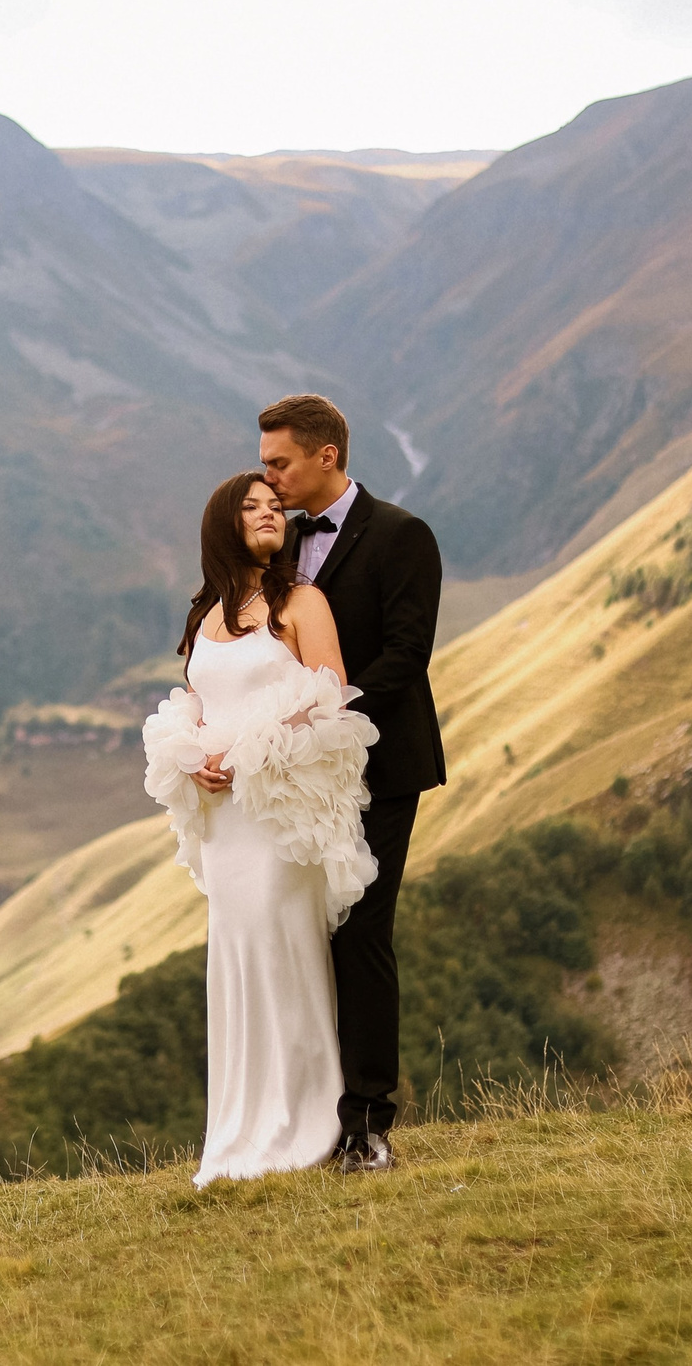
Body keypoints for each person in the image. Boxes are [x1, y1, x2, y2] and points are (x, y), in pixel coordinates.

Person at [142, 472, 380, 1186]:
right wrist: (194, 759)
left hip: (278, 817)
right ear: (223, 523)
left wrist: (244, 751)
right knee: (238, 959)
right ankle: (241, 1129)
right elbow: (197, 698)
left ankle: (307, 1121)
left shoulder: (301, 603)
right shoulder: (209, 614)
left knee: (286, 951)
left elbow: (328, 696)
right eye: (251, 507)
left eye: (275, 506)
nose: (269, 513)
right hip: (226, 825)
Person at [257, 393, 445, 1175]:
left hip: (379, 770)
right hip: (297, 782)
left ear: (326, 455)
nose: (267, 475)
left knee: (361, 933)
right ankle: (309, 1115)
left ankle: (369, 1121)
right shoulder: (282, 544)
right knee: (303, 936)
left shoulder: (404, 536)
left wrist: (319, 720)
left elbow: (407, 656)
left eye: (280, 462)